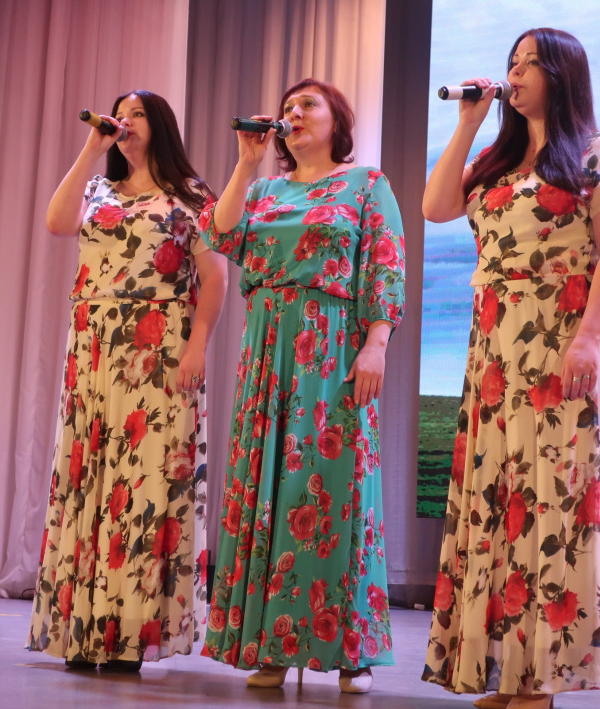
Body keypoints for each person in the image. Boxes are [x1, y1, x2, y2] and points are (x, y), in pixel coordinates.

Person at [420, 29, 600, 709]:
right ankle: (511, 669)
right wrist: (467, 123)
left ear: (561, 74)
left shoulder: (596, 152)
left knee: (556, 500)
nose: (514, 75)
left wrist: (586, 339)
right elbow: (436, 207)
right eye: (510, 64)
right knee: (502, 502)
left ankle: (544, 674)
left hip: (563, 341)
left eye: (528, 64)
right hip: (497, 350)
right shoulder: (496, 160)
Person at [199, 78, 405, 695]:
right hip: (268, 350)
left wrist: (376, 344)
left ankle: (349, 652)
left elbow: (386, 266)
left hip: (333, 346)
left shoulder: (366, 184)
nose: (293, 113)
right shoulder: (263, 190)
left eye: (307, 104)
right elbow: (219, 235)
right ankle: (270, 643)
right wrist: (245, 163)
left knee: (333, 490)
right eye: (287, 106)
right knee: (268, 489)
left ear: (337, 120)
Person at [26, 90, 227, 671]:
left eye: (137, 113)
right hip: (94, 346)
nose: (126, 121)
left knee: (142, 482)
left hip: (159, 345)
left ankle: (128, 632)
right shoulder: (98, 188)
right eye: (122, 113)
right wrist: (92, 149)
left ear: (159, 124)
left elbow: (214, 279)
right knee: (89, 479)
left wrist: (197, 345)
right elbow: (56, 222)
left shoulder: (191, 195)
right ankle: (82, 628)